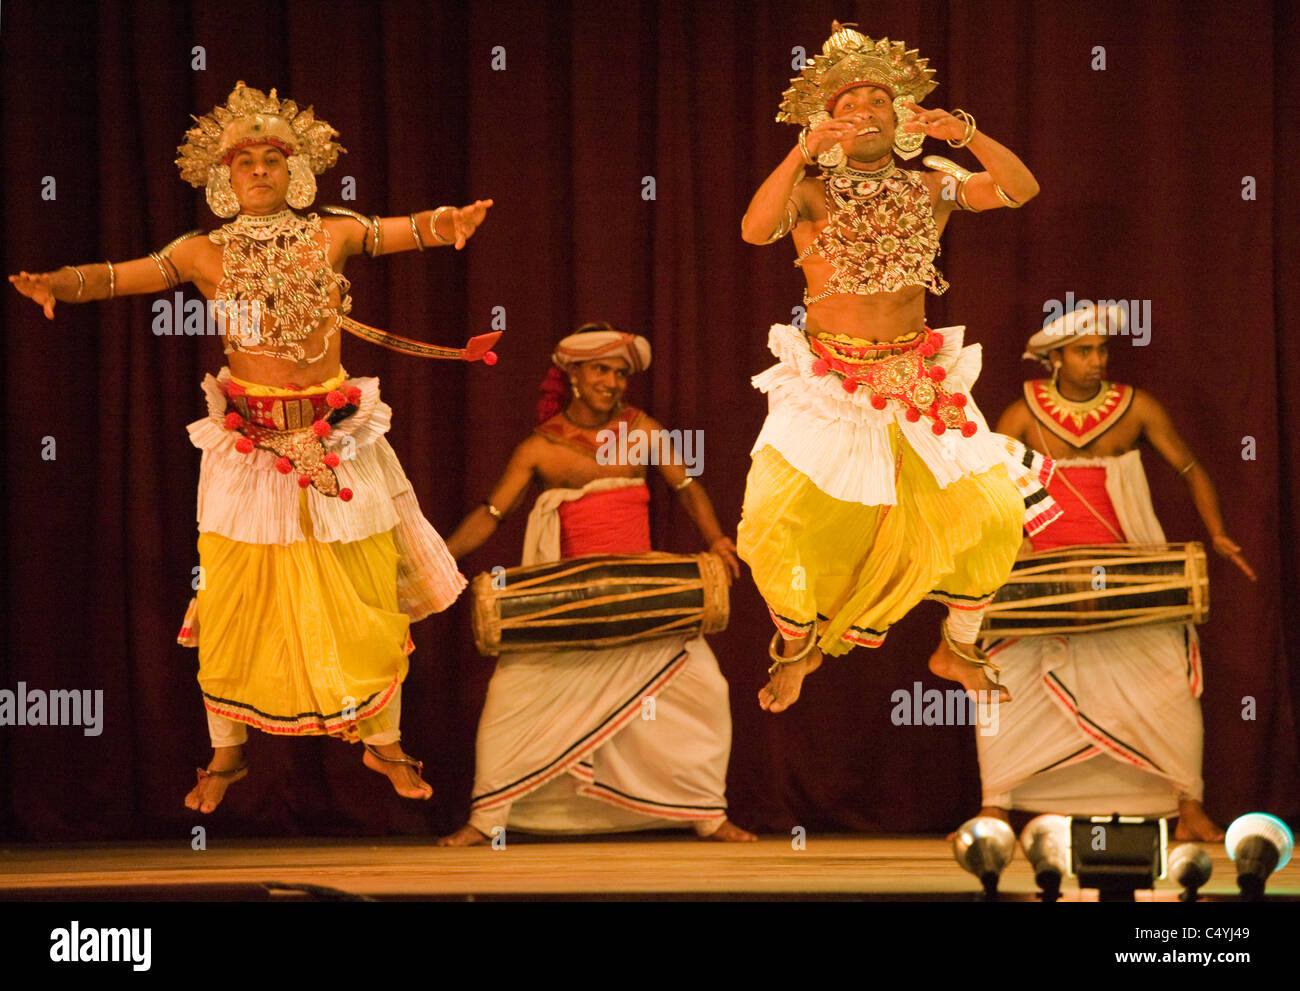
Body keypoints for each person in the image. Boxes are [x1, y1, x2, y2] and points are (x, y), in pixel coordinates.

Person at [9, 82, 494, 812]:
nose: (260, 171)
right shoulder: (202, 252)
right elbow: (121, 277)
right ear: (224, 177)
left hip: (338, 435)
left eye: (273, 158)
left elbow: (397, 231)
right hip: (249, 444)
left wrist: (446, 223)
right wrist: (61, 284)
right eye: (246, 162)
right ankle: (227, 755)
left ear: (296, 171)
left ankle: (384, 741)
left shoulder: (330, 232)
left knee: (363, 590)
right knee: (232, 597)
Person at [737, 24, 1055, 713]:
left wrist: (963, 133)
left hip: (917, 378)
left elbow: (1020, 189)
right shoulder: (811, 193)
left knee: (997, 513)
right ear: (826, 122)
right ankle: (796, 646)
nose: (863, 114)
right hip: (828, 381)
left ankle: (959, 644)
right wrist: (798, 154)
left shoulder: (931, 187)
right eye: (847, 106)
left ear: (900, 114)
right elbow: (755, 230)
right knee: (770, 518)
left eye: (876, 102)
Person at [436, 324, 756, 844]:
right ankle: (486, 819)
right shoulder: (540, 447)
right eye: (602, 369)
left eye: (621, 372)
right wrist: (442, 555)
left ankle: (708, 814)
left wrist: (718, 539)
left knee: (707, 691)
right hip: (570, 606)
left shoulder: (644, 431)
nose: (613, 381)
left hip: (643, 598)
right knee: (509, 699)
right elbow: (492, 513)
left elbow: (688, 488)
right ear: (574, 376)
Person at [968, 302, 1255, 841]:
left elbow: (1189, 466)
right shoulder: (1021, 415)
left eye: (1102, 349)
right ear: (1054, 359)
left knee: (1170, 686)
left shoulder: (1137, 407)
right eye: (1084, 351)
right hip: (1043, 579)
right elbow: (990, 495)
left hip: (1130, 578)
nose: (1097, 360)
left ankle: (1187, 809)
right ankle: (997, 806)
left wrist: (1216, 531)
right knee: (1004, 682)